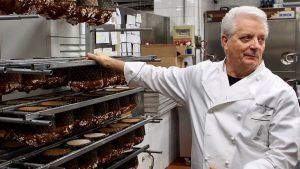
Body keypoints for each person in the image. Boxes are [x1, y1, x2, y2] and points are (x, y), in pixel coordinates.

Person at [87, 6, 300, 169]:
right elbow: (156, 75)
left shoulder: (280, 93)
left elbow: (284, 156)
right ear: (225, 41)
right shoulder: (201, 76)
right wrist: (114, 64)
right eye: (246, 38)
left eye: (261, 39)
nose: (255, 45)